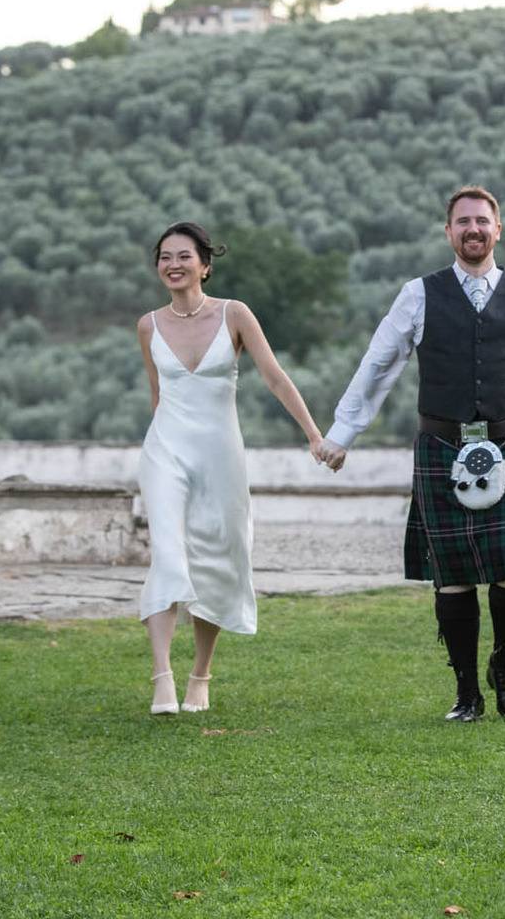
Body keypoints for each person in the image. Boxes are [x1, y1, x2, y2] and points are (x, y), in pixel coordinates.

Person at [318, 186, 505, 721]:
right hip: (441, 445)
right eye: (463, 222)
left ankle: (503, 662)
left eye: (482, 221)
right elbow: (379, 363)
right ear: (448, 232)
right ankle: (466, 692)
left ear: (498, 229)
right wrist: (344, 432)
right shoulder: (418, 294)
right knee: (453, 575)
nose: (473, 229)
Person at [137, 221, 331, 716]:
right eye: (165, 257)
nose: (173, 265)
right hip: (165, 451)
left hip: (221, 455)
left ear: (204, 264)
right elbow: (157, 397)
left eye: (183, 256)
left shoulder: (235, 315)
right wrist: (156, 447)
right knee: (167, 552)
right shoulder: (148, 326)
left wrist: (313, 434)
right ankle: (162, 676)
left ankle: (199, 675)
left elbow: (274, 376)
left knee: (219, 560)